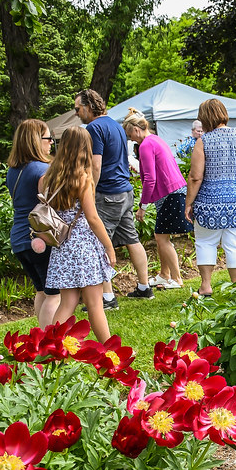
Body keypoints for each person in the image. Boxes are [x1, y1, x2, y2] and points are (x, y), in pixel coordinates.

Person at [74, 88, 151, 307]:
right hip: (125, 191)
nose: (77, 113)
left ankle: (107, 298)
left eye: (78, 109)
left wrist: (89, 192)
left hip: (107, 193)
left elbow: (95, 165)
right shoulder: (116, 125)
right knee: (131, 239)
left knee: (99, 242)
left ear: (89, 106)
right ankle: (144, 288)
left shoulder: (94, 128)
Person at [40, 126, 117, 342]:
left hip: (62, 243)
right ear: (85, 148)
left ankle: (49, 346)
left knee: (68, 303)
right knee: (95, 304)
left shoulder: (49, 176)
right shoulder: (83, 177)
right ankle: (110, 350)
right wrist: (109, 247)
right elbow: (92, 218)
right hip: (82, 244)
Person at [185, 99, 236, 295]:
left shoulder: (204, 141)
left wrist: (188, 203)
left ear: (205, 118)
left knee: (206, 242)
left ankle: (206, 286)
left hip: (210, 203)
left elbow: (195, 177)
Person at [122, 108, 192, 290]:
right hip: (174, 192)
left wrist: (142, 206)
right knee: (161, 235)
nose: (130, 139)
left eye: (130, 135)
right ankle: (164, 274)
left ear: (137, 130)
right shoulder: (156, 139)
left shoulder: (145, 145)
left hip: (170, 194)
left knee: (161, 237)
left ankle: (176, 279)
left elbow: (151, 179)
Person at [5, 119, 61, 326]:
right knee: (55, 294)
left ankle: (39, 337)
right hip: (39, 237)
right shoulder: (42, 170)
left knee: (42, 290)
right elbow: (50, 205)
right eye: (48, 138)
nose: (50, 144)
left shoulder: (14, 170)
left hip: (20, 237)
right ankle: (48, 343)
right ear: (36, 141)